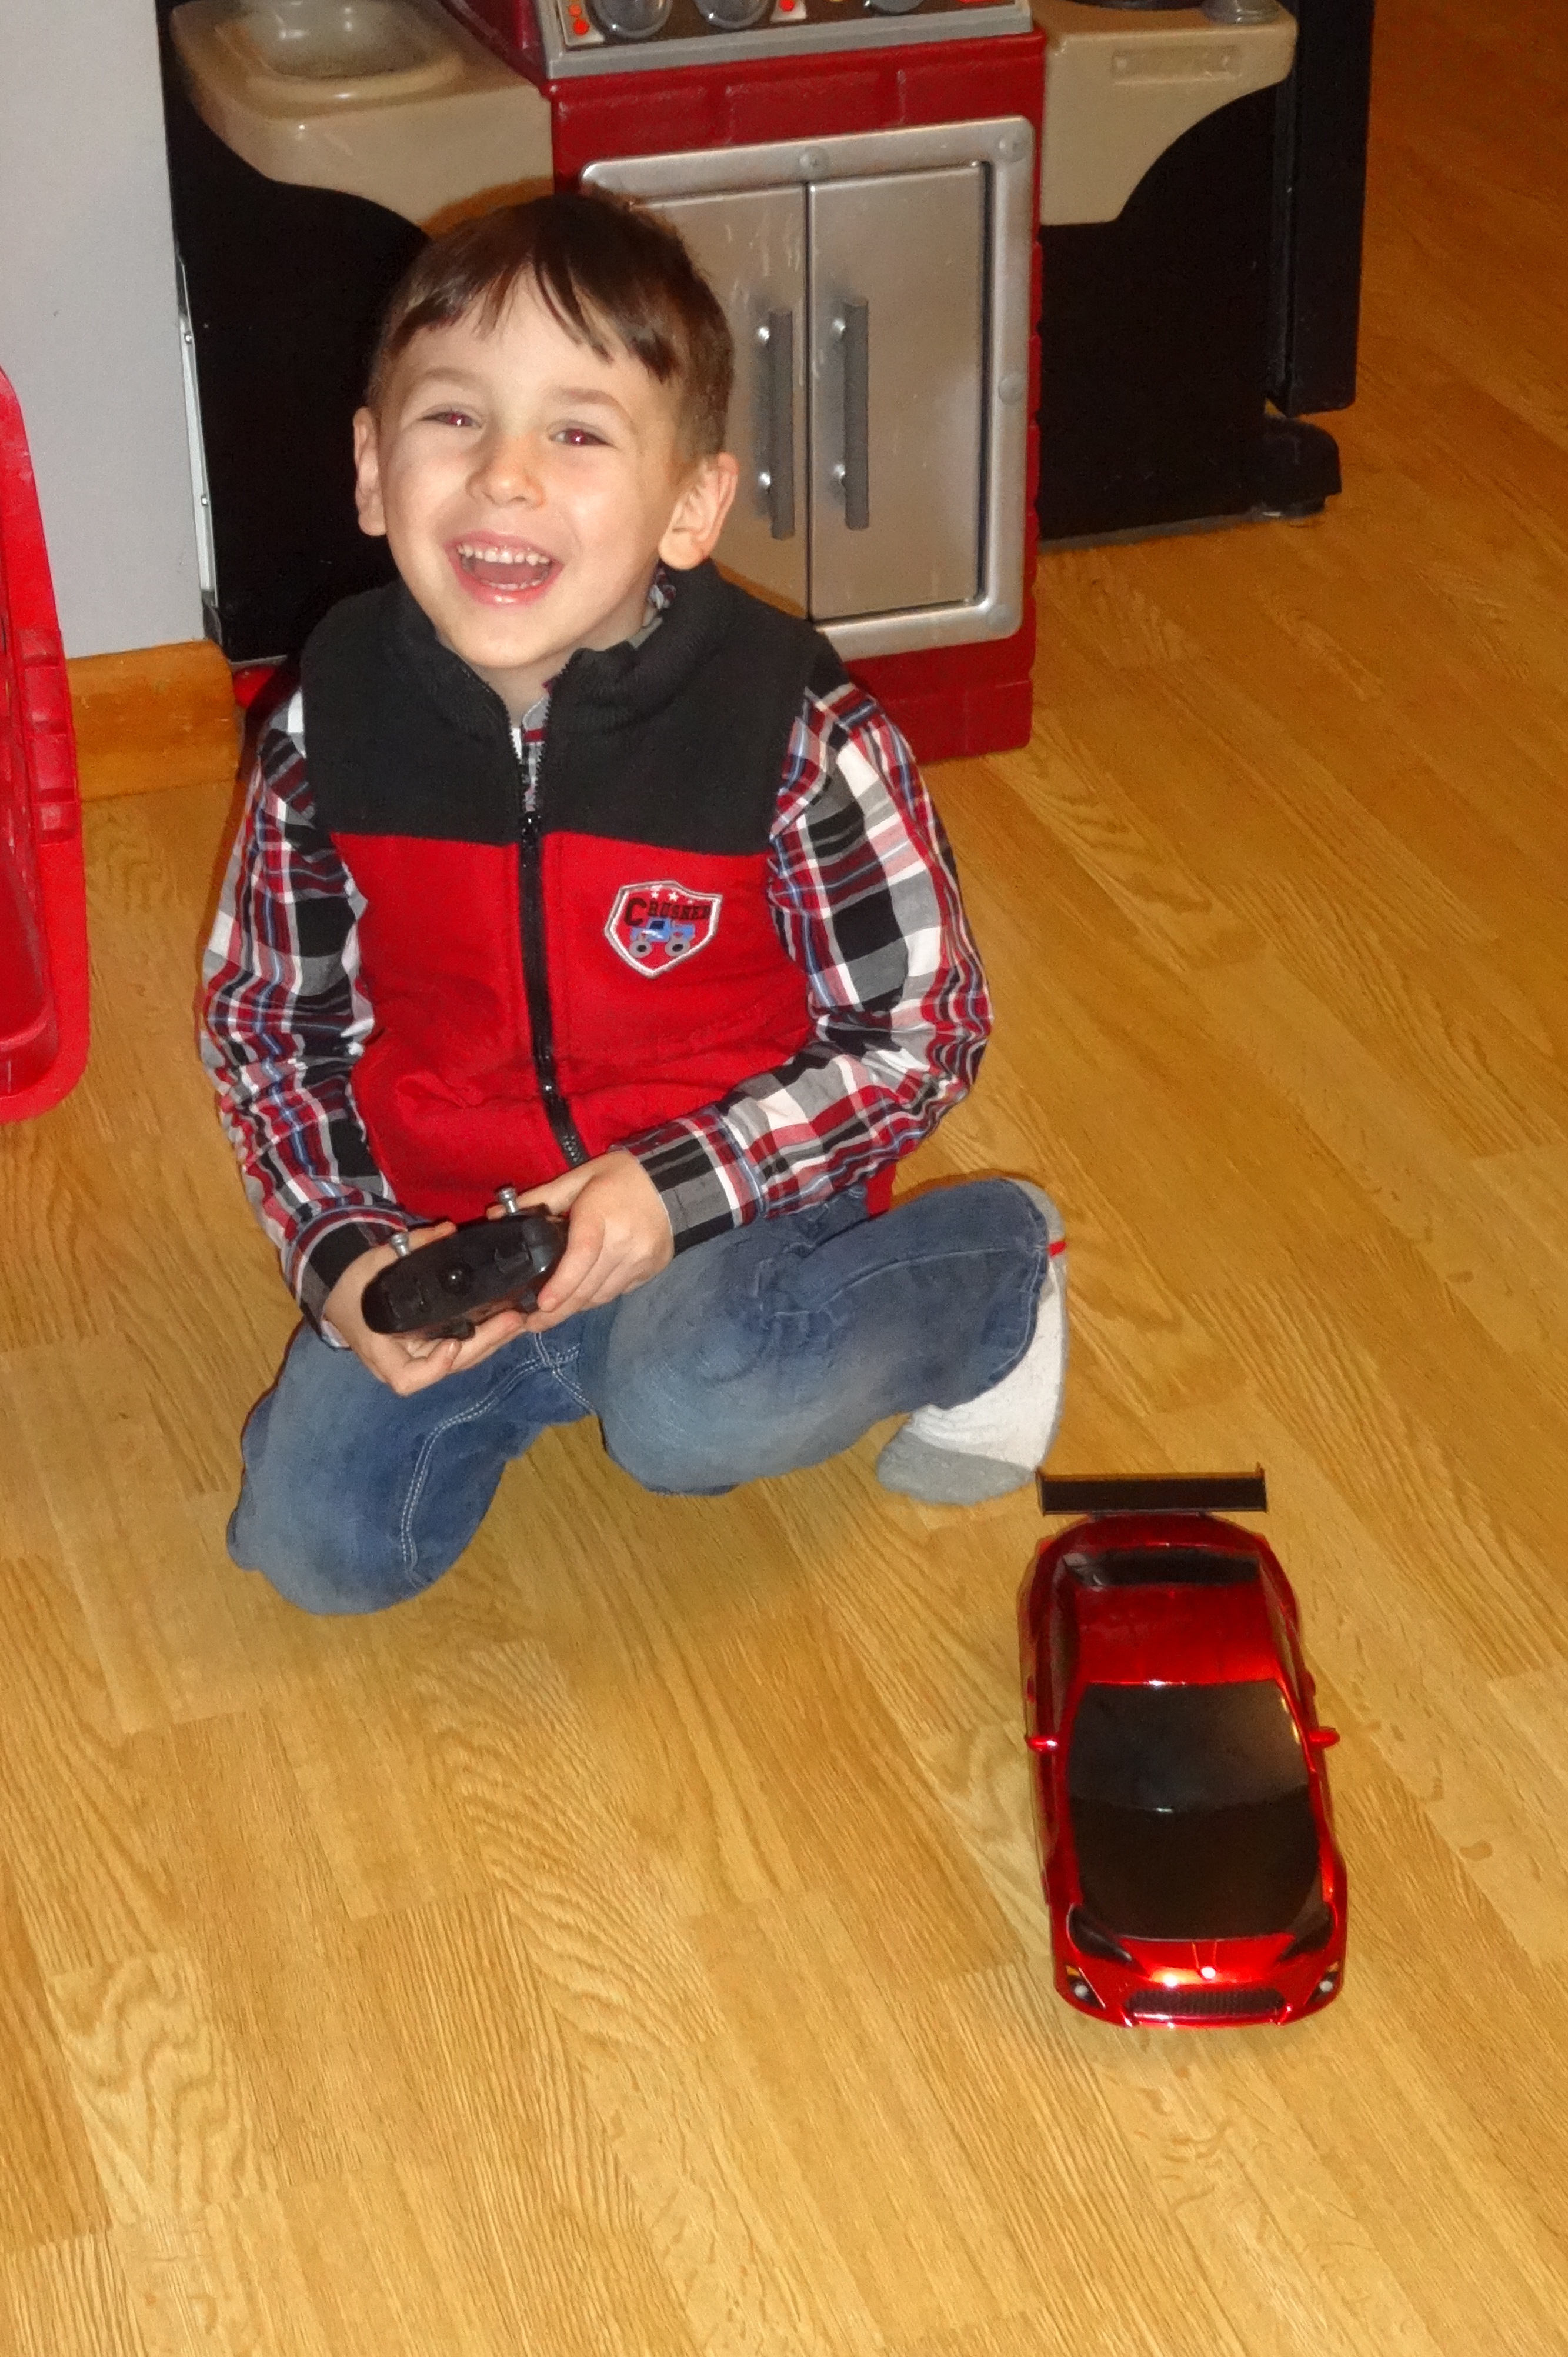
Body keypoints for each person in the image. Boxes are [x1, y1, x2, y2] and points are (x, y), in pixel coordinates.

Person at [201, 191, 1067, 1617]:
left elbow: (921, 1032)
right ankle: (582, 1359)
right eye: (454, 418)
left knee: (692, 1414)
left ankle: (993, 1281)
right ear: (370, 469)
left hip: (733, 1201)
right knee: (320, 1554)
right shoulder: (324, 725)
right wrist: (344, 1255)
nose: (505, 478)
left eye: (578, 433)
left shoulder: (792, 730)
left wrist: (670, 1194)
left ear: (690, 508)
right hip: (458, 1233)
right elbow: (265, 1032)